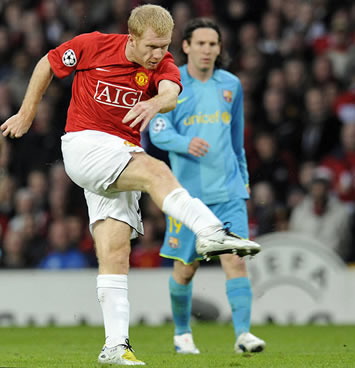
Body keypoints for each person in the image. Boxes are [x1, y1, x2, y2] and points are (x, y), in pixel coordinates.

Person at [1, 5, 260, 366]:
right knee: (155, 171)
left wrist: (155, 102)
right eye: (152, 46)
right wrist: (28, 112)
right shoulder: (93, 45)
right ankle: (208, 229)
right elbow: (48, 62)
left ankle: (115, 346)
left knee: (115, 253)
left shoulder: (164, 65)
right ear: (132, 37)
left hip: (121, 153)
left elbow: (170, 93)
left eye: (165, 46)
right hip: (85, 144)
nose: (159, 54)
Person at [148, 18, 265, 355]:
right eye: (200, 43)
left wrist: (243, 181)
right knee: (186, 270)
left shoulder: (231, 85)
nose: (207, 50)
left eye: (213, 44)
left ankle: (244, 335)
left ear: (219, 48)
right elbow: (157, 130)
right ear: (185, 46)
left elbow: (236, 139)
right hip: (187, 198)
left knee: (236, 261)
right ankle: (183, 334)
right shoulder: (170, 84)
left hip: (228, 192)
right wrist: (186, 143)